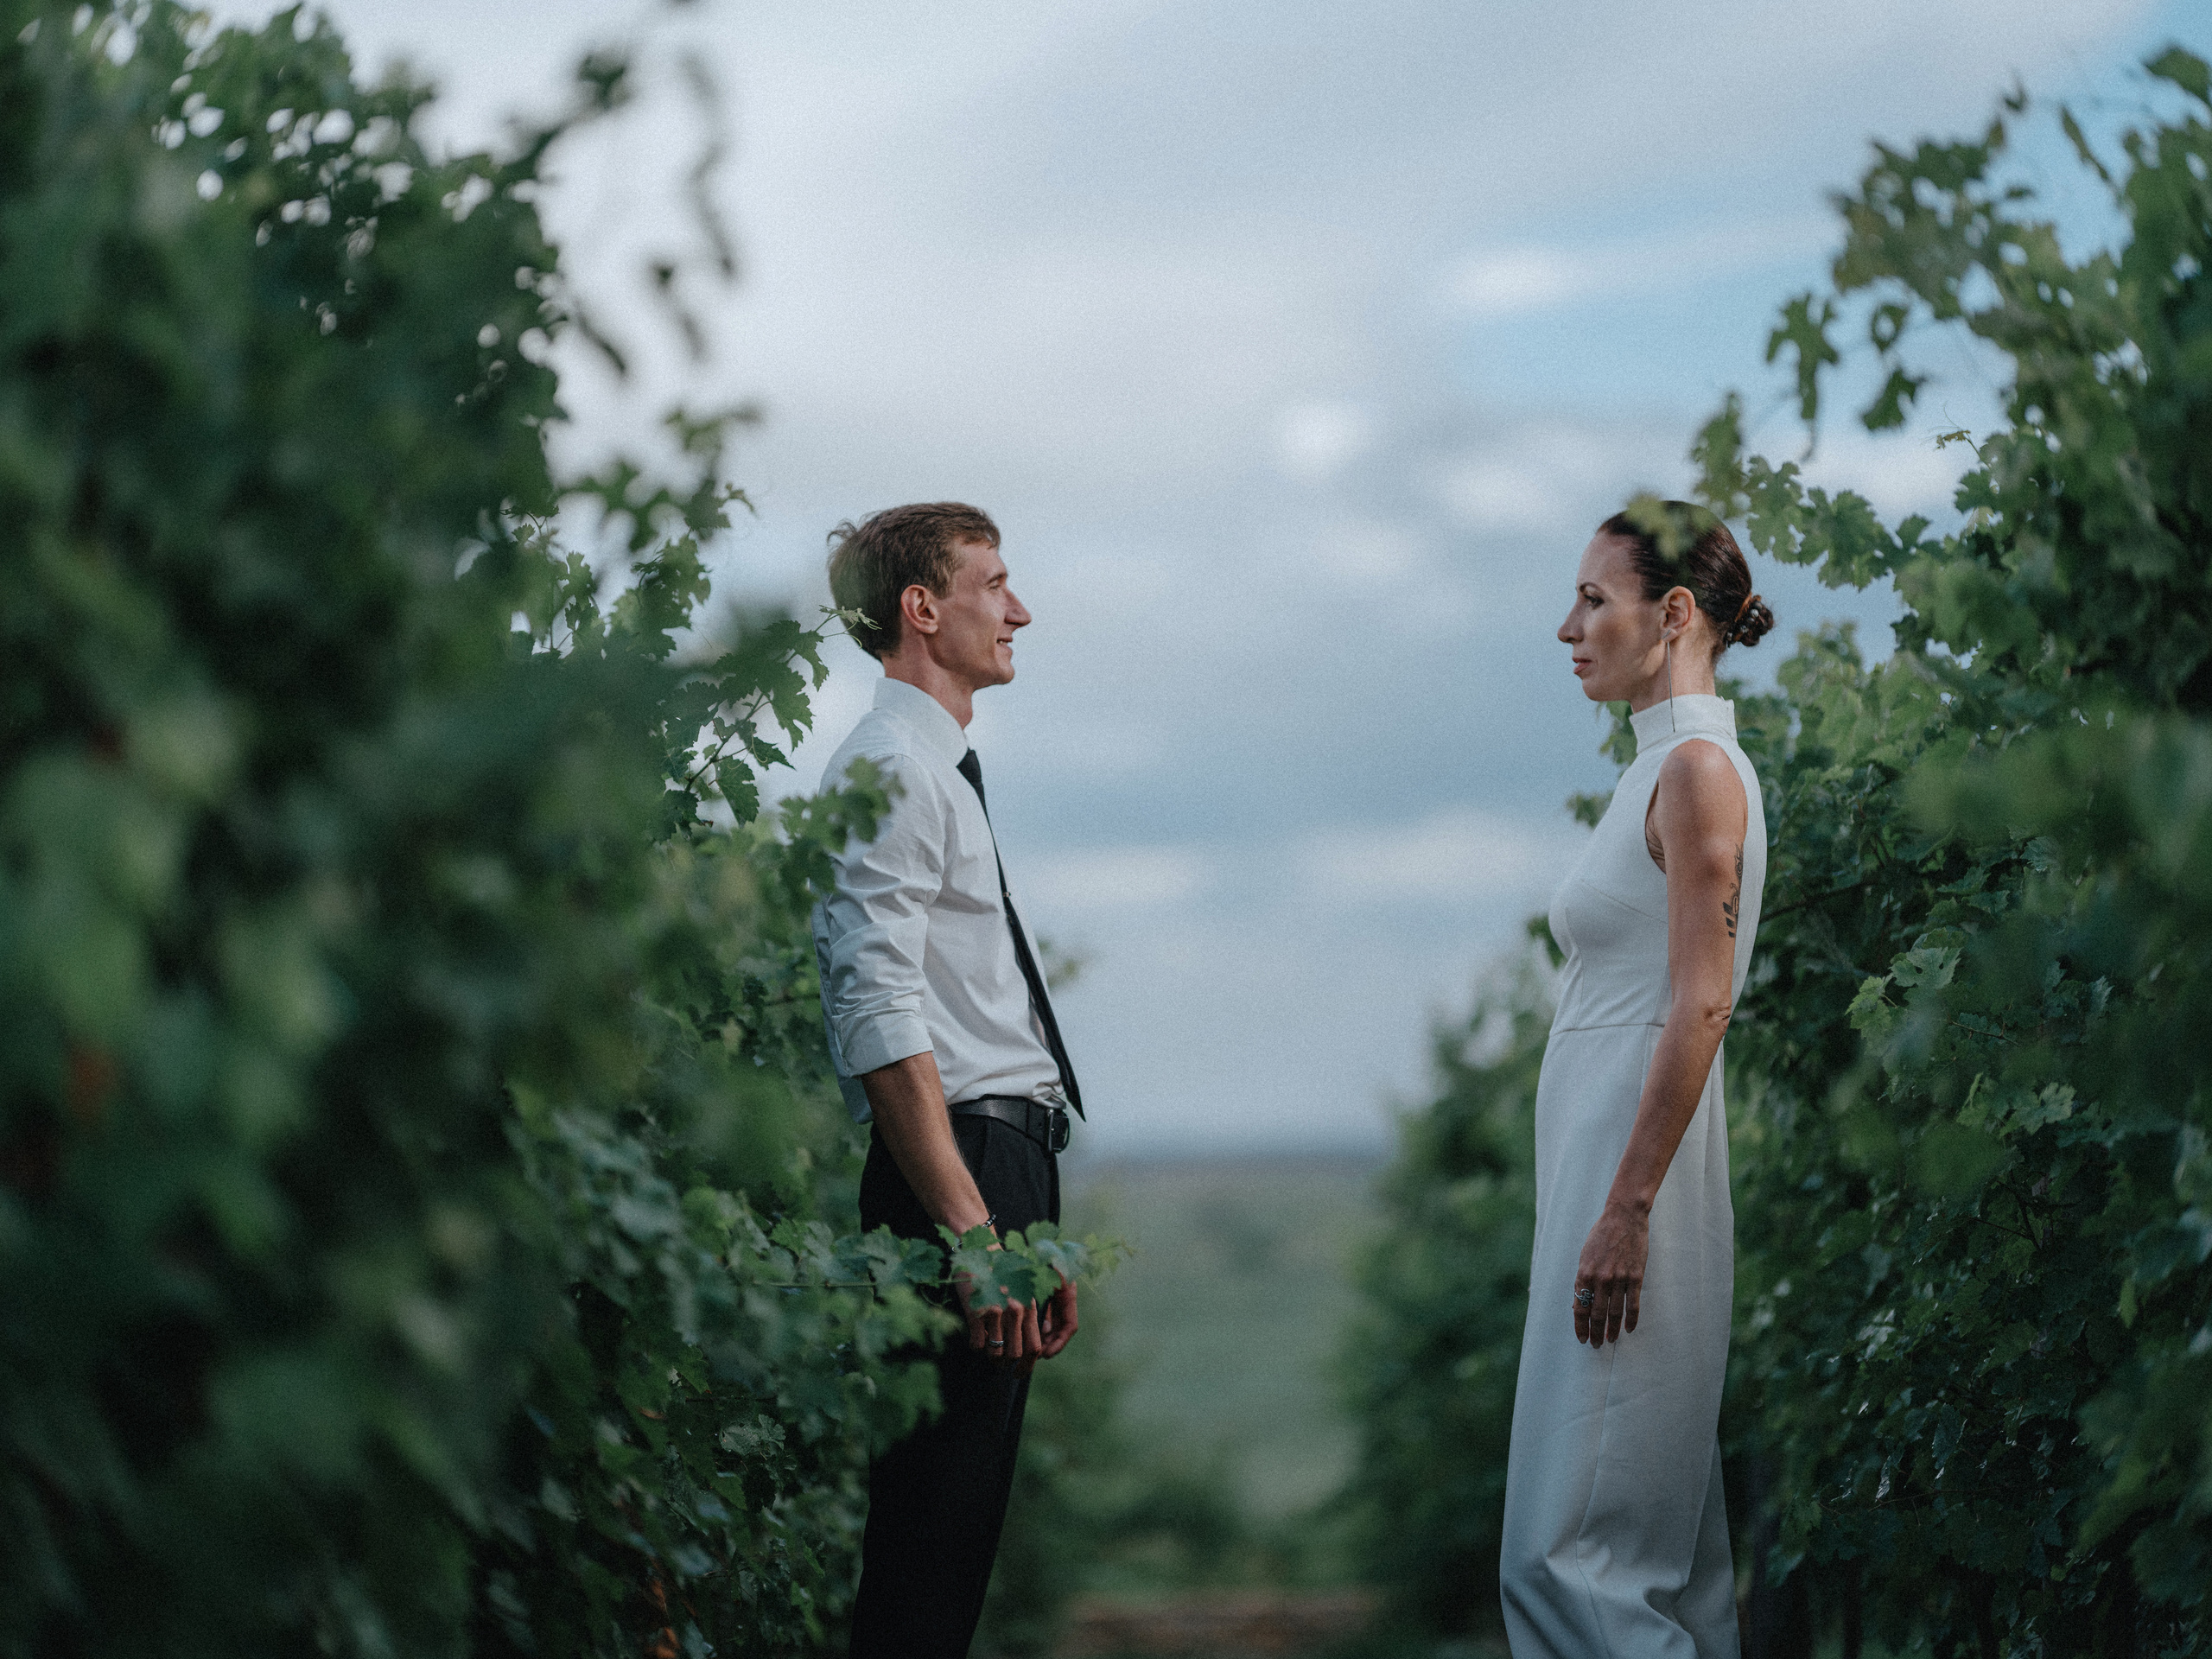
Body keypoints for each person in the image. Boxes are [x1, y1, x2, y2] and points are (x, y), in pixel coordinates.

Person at [1499, 501, 1776, 1658]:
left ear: (1670, 614)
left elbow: (1701, 1002)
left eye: (1594, 600)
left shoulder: (1700, 771)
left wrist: (1624, 1211)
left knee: (1577, 1562)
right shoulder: (1657, 772)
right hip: (1603, 1178)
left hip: (1636, 1191)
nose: (1568, 627)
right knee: (1654, 1557)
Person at [811, 501, 1084, 1659]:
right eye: (994, 582)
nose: (1018, 608)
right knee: (926, 1554)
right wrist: (976, 1234)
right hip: (958, 1171)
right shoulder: (887, 771)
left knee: (951, 1550)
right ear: (924, 609)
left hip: (996, 1162)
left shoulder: (935, 769)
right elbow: (879, 1016)